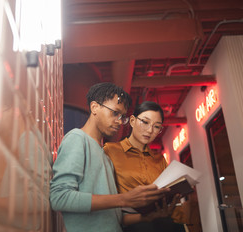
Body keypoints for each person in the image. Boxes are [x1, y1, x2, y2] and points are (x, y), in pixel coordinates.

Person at [49, 83, 169, 232]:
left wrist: (147, 218)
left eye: (122, 117)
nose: (119, 121)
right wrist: (123, 199)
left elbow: (114, 218)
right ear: (94, 107)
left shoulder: (104, 156)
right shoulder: (77, 139)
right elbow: (59, 198)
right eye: (115, 113)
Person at [104, 101, 186, 232]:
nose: (150, 130)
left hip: (165, 223)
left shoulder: (159, 159)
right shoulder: (110, 151)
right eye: (145, 122)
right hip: (131, 225)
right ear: (132, 121)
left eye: (157, 126)